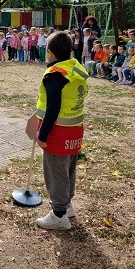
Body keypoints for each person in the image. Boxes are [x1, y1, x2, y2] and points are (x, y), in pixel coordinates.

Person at [30, 31, 89, 230]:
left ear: (51, 53)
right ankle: (67, 205)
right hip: (74, 130)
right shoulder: (75, 70)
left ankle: (59, 214)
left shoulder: (56, 75)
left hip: (57, 132)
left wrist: (42, 134)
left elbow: (53, 108)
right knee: (68, 170)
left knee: (56, 173)